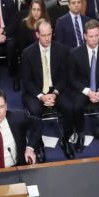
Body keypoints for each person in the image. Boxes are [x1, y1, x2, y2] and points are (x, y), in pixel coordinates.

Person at [62, 19, 99, 149]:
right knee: (76, 107)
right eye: (91, 36)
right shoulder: (74, 53)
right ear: (85, 36)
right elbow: (72, 79)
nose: (94, 39)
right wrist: (88, 92)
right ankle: (80, 132)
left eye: (97, 35)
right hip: (83, 87)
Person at [21, 18, 69, 160]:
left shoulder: (61, 50)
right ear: (37, 35)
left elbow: (63, 76)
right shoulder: (28, 53)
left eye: (50, 34)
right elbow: (27, 81)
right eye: (44, 35)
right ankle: (38, 143)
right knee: (35, 110)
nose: (48, 38)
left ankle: (66, 140)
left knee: (70, 106)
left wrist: (54, 93)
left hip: (55, 91)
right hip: (35, 92)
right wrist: (41, 96)